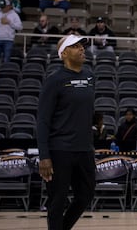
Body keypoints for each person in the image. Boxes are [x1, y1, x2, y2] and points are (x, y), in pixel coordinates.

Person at [37, 34, 96, 230]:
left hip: (84, 149)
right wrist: (44, 156)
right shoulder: (54, 80)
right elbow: (43, 120)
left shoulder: (89, 76)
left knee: (85, 196)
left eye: (82, 46)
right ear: (63, 54)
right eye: (76, 46)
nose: (81, 49)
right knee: (57, 201)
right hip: (59, 150)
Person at [0, 0, 22, 65]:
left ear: (9, 6)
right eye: (1, 7)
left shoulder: (14, 15)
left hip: (8, 40)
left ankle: (4, 74)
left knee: (6, 60)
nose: (3, 9)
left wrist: (9, 22)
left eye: (4, 7)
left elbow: (20, 27)